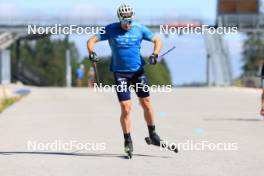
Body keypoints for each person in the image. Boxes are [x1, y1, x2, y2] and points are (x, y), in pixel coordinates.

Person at [87, 4, 163, 156]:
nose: (127, 25)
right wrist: (91, 52)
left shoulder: (140, 28)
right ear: (119, 19)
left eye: (129, 21)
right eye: (124, 22)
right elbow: (91, 40)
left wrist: (155, 54)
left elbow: (157, 40)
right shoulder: (110, 29)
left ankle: (153, 134)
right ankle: (128, 141)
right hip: (120, 74)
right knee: (126, 108)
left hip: (138, 72)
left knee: (146, 103)